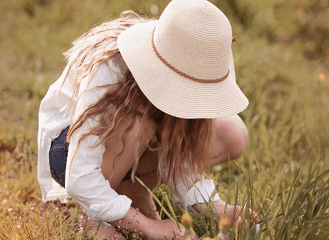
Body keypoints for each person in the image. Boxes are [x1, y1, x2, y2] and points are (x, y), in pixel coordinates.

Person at [37, 0, 257, 239]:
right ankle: (96, 216)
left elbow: (179, 148)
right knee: (138, 124)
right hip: (71, 151)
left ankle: (130, 191)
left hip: (128, 149)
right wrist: (151, 227)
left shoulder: (187, 54)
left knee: (232, 132)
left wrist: (214, 206)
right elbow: (79, 175)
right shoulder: (110, 68)